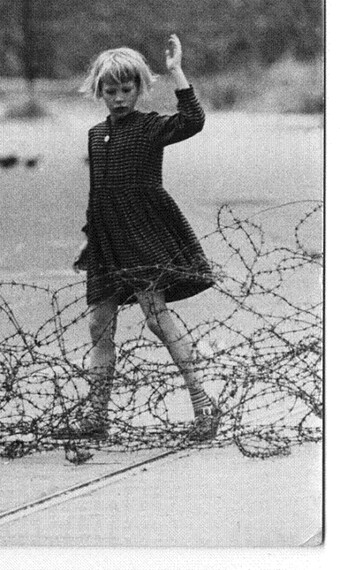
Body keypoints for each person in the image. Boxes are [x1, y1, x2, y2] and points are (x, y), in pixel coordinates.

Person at [60, 34, 219, 442]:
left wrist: (176, 72)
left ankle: (203, 405)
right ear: (99, 91)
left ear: (139, 88)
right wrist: (89, 238)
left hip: (142, 234)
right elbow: (98, 193)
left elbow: (193, 121)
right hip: (106, 240)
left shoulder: (150, 127)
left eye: (126, 90)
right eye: (110, 91)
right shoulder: (96, 135)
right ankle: (96, 417)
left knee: (157, 319)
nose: (118, 99)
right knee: (98, 324)